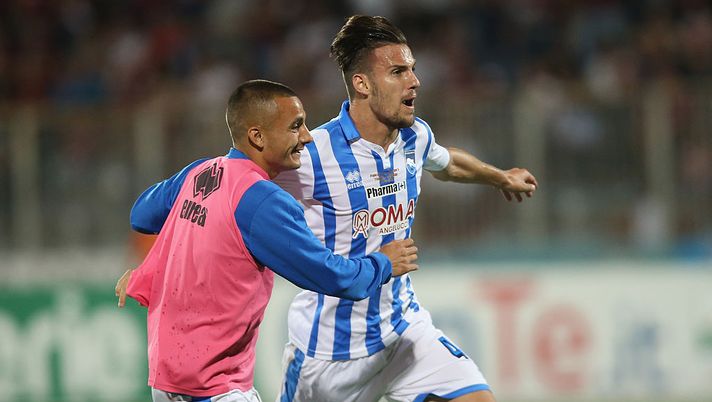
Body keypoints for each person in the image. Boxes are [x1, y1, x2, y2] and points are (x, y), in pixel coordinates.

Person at [272, 16, 538, 402]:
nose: (415, 81)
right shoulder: (315, 153)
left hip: (403, 331)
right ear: (362, 84)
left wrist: (500, 177)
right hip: (329, 355)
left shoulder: (415, 136)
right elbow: (242, 193)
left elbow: (446, 164)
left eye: (412, 69)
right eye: (398, 71)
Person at [114, 79, 419, 402]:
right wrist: (383, 262)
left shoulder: (202, 173)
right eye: (296, 127)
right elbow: (334, 277)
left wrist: (156, 265)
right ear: (257, 136)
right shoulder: (262, 201)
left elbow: (142, 214)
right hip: (216, 390)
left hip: (167, 386)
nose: (306, 137)